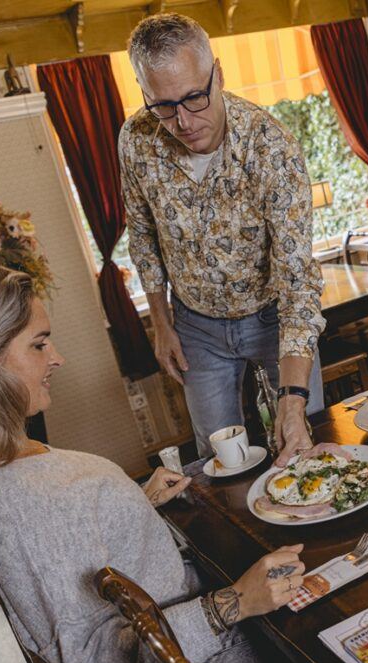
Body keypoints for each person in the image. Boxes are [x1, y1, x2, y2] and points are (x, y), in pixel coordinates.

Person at [0, 265, 304, 663]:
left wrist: (129, 505)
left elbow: (66, 541)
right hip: (217, 658)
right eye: (39, 345)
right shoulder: (15, 509)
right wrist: (236, 602)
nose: (57, 358)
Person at [119, 13, 325, 465]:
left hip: (274, 318)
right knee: (219, 461)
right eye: (164, 105)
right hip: (196, 325)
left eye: (195, 96)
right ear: (144, 95)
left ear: (219, 74)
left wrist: (292, 400)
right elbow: (142, 231)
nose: (184, 120)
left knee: (301, 439)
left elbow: (297, 280)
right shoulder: (136, 139)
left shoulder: (271, 147)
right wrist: (161, 322)